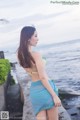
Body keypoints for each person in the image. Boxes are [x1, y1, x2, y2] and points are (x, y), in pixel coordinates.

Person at [17, 26, 61, 120]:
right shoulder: (36, 55)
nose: (38, 39)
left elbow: (32, 72)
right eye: (35, 36)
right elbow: (42, 77)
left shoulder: (19, 55)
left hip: (35, 92)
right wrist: (54, 96)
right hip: (46, 91)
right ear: (28, 38)